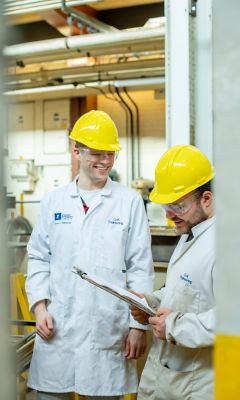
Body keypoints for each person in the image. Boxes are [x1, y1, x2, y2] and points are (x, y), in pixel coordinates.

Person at [26, 110, 154, 400]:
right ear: (76, 151)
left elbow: (140, 268)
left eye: (110, 154)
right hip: (58, 328)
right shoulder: (53, 201)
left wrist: (137, 326)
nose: (105, 161)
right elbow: (38, 258)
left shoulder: (129, 202)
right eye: (97, 153)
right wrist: (40, 308)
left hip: (107, 331)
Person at [130, 144, 215, 400]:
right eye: (167, 206)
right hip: (167, 376)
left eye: (177, 206)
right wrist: (152, 303)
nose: (170, 216)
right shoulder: (191, 231)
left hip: (197, 382)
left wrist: (175, 325)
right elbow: (185, 291)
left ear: (206, 199)